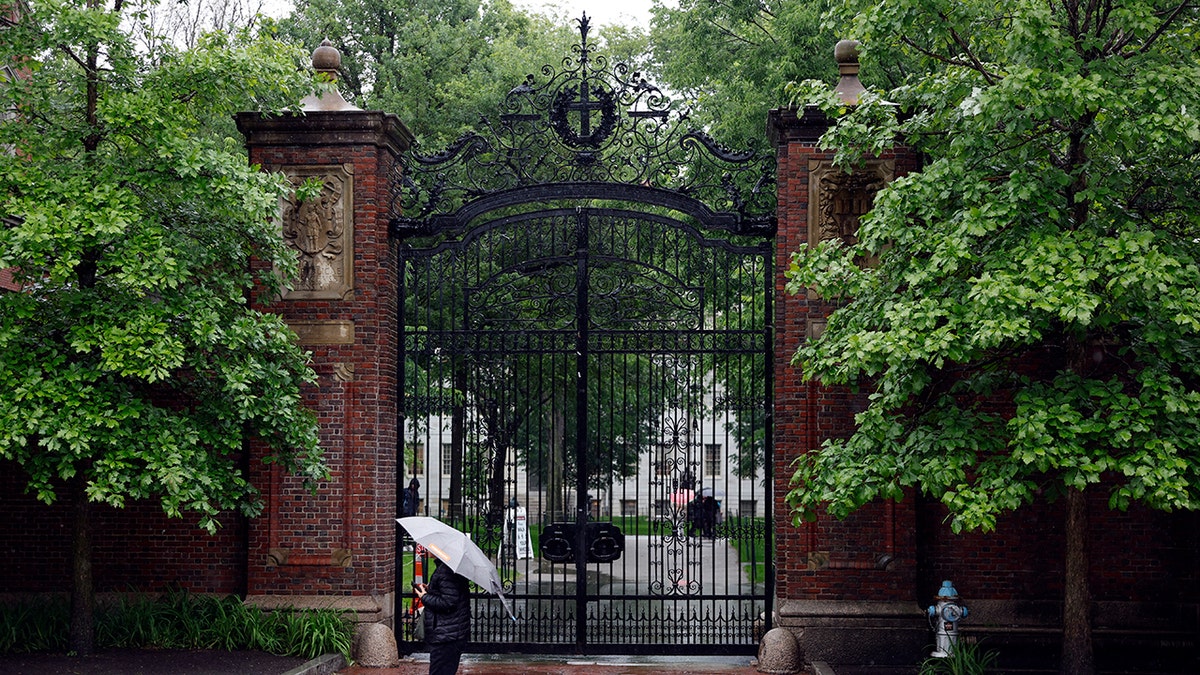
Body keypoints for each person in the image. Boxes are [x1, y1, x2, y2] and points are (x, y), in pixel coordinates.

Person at [414, 560, 470, 675]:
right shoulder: (449, 568)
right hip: (451, 633)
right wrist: (431, 590)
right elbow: (450, 593)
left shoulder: (446, 571)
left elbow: (448, 603)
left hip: (446, 635)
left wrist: (424, 597)